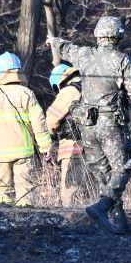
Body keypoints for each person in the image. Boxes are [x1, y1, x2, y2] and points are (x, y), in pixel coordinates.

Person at [47, 16, 131, 234]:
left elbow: (66, 48)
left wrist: (53, 41)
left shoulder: (85, 55)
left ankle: (117, 221)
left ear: (98, 35)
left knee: (102, 170)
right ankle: (103, 207)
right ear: (118, 36)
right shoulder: (122, 60)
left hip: (87, 125)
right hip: (111, 123)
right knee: (122, 166)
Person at [0, 52, 53, 206]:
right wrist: (46, 147)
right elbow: (39, 122)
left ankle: (3, 220)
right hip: (24, 152)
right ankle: (26, 220)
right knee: (25, 190)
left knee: (2, 190)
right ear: (19, 71)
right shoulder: (27, 94)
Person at [46, 64, 88, 207]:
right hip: (97, 147)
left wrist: (51, 138)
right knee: (93, 190)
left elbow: (51, 119)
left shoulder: (69, 91)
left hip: (74, 147)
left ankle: (72, 221)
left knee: (70, 191)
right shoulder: (91, 86)